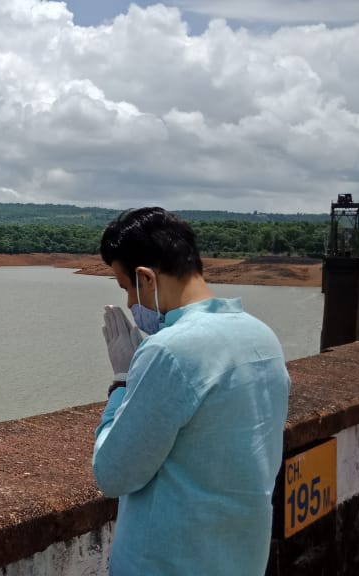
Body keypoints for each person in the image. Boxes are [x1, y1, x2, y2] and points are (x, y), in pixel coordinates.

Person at [92, 207, 290, 575]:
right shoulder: (262, 337)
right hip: (242, 561)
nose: (131, 305)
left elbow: (113, 473)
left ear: (146, 278)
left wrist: (122, 380)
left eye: (126, 289)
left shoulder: (169, 349)